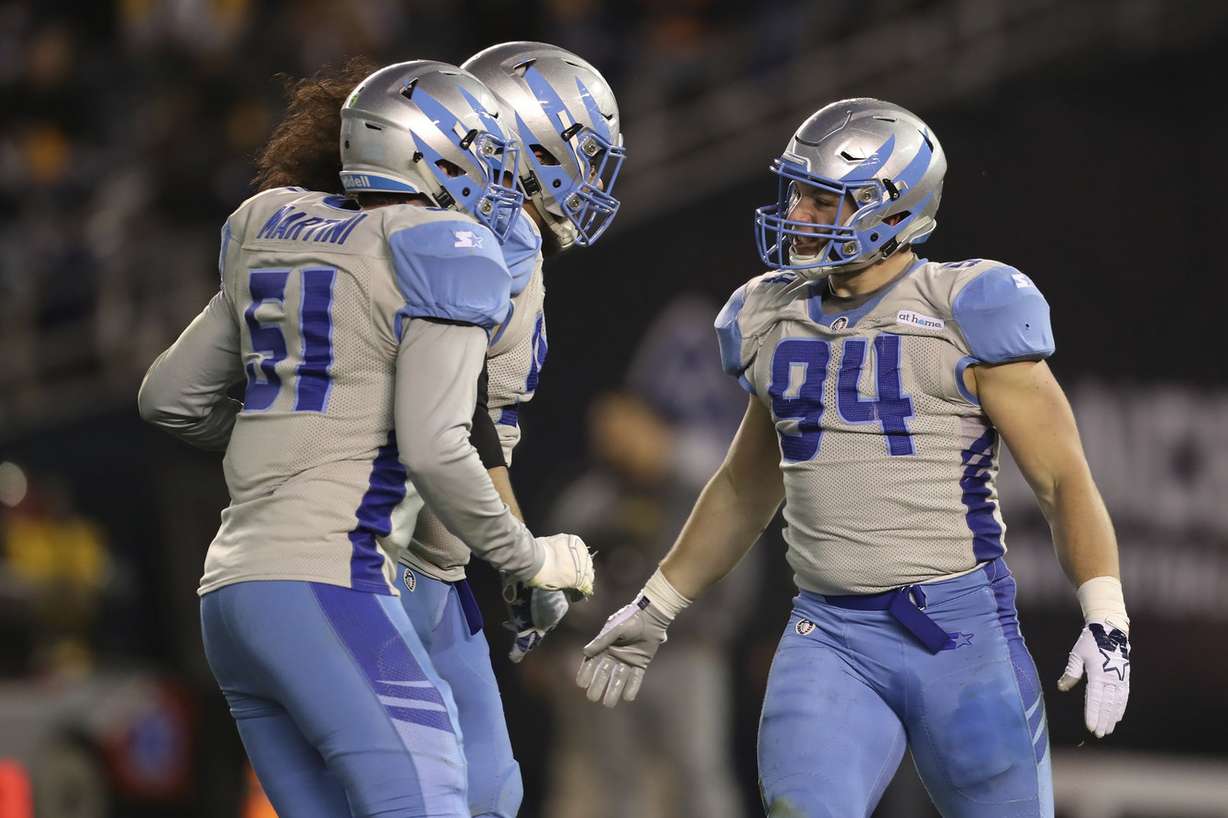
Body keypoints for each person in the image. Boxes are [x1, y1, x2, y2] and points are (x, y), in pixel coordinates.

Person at [577, 98, 1132, 818]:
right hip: (829, 636)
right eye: (798, 192)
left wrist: (1106, 616)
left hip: (961, 635)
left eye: (822, 198)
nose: (799, 213)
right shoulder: (773, 314)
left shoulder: (966, 305)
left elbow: (1062, 481)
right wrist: (658, 604)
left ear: (890, 205)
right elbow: (746, 486)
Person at [137, 60, 594, 818]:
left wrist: (287, 452)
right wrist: (529, 558)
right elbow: (441, 445)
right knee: (433, 798)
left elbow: (168, 398)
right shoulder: (447, 248)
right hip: (340, 575)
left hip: (230, 592)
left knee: (448, 798)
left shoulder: (269, 222)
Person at [390, 42, 626, 818]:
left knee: (490, 791)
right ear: (531, 143)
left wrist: (510, 558)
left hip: (435, 559)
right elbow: (457, 419)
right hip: (385, 555)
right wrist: (521, 557)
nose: (592, 178)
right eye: (582, 152)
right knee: (419, 792)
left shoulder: (492, 240)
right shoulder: (492, 243)